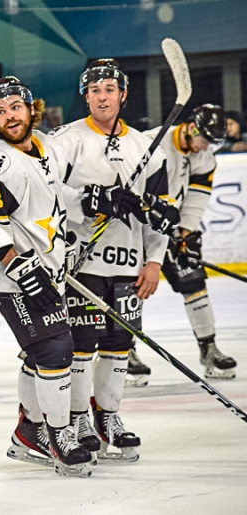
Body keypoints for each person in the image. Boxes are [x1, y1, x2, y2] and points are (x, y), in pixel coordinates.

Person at [50, 59, 177, 462]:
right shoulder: (66, 140)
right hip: (82, 262)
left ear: (123, 94)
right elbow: (45, 193)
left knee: (119, 344)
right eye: (94, 90)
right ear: (85, 97)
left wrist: (155, 260)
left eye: (109, 89)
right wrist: (89, 201)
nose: (102, 97)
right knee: (82, 345)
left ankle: (109, 416)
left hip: (127, 263)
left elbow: (160, 211)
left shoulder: (146, 147)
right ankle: (79, 417)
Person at [0, 76, 92, 477]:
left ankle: (27, 430)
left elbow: (56, 193)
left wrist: (94, 200)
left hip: (46, 268)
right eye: (0, 112)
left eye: (14, 107)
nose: (9, 116)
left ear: (30, 108)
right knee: (56, 349)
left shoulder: (45, 145)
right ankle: (58, 436)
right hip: (12, 275)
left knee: (38, 352)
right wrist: (20, 266)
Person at [131, 104, 236, 382]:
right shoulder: (151, 143)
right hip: (136, 227)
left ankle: (209, 349)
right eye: (204, 140)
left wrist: (186, 233)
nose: (205, 148)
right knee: (130, 287)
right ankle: (123, 350)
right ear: (191, 128)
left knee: (194, 279)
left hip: (170, 228)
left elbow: (197, 198)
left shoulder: (205, 157)